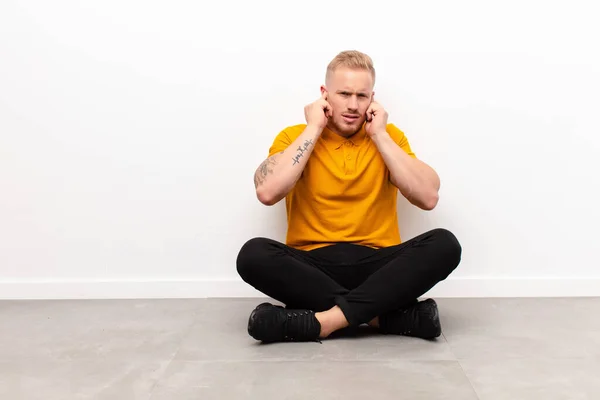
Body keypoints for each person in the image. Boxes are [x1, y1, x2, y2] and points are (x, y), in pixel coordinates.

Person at [236, 50, 461, 343]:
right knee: (253, 254)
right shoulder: (295, 136)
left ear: (372, 99)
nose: (353, 105)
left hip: (378, 266)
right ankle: (384, 315)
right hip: (312, 267)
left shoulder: (389, 136)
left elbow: (428, 197)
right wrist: (314, 128)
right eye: (344, 94)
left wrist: (379, 135)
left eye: (362, 96)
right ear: (324, 94)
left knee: (445, 244)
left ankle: (323, 322)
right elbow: (267, 192)